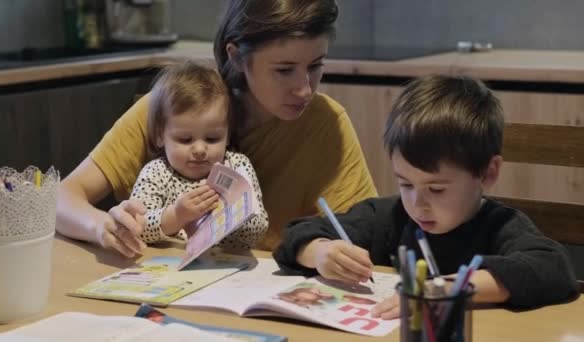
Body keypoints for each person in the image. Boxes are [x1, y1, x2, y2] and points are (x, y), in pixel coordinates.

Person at [56, 0, 377, 256]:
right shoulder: (175, 106)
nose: (305, 89)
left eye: (316, 66)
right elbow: (61, 199)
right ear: (236, 57)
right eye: (284, 70)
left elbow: (364, 231)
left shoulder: (326, 123)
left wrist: (324, 251)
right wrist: (103, 227)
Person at [273, 75, 579, 319]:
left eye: (436, 189)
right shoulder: (389, 216)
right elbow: (295, 237)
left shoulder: (500, 225)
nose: (417, 204)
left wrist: (444, 289)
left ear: (487, 173)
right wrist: (321, 252)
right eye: (405, 183)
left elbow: (554, 270)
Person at [129, 61, 267, 250]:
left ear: (227, 135)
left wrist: (231, 213)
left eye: (212, 138)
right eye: (185, 139)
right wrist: (178, 216)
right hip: (167, 268)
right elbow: (138, 226)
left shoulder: (236, 166)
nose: (200, 149)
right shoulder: (156, 173)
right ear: (160, 136)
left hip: (228, 265)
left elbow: (258, 229)